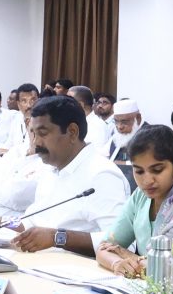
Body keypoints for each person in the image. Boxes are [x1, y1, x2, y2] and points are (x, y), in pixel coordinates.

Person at [12, 96, 130, 256]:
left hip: (78, 272)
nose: (36, 143)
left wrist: (59, 238)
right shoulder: (50, 168)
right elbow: (32, 221)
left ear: (72, 132)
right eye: (33, 134)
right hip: (39, 263)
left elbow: (120, 242)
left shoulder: (102, 174)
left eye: (42, 133)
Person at [97, 125, 173, 276]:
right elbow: (104, 248)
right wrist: (117, 263)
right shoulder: (141, 196)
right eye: (139, 171)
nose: (147, 180)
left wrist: (129, 257)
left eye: (157, 170)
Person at [103, 98, 146, 163]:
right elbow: (102, 155)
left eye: (124, 122)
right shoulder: (117, 135)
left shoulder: (150, 136)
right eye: (116, 121)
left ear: (138, 118)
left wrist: (124, 164)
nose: (119, 127)